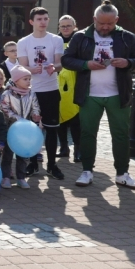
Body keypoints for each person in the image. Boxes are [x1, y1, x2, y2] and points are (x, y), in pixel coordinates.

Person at [61, 0, 135, 189]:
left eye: (110, 23)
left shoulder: (127, 37)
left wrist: (128, 63)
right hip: (89, 94)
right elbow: (66, 60)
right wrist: (85, 64)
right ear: (94, 19)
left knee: (121, 135)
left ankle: (122, 173)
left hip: (118, 94)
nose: (105, 27)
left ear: (116, 19)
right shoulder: (81, 36)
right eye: (101, 23)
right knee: (87, 133)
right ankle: (86, 171)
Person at [16, 7, 65, 180]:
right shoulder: (23, 42)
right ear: (31, 22)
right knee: (32, 129)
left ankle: (52, 165)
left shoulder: (56, 39)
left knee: (52, 130)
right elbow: (22, 67)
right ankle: (33, 164)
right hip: (31, 92)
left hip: (51, 90)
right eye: (39, 19)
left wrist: (54, 67)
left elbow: (60, 63)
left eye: (45, 19)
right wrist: (31, 70)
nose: (43, 22)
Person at [0, 64, 41, 189]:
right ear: (16, 81)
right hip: (11, 127)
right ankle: (5, 177)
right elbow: (5, 109)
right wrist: (18, 119)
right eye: (25, 79)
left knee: (23, 154)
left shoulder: (31, 94)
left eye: (29, 79)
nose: (28, 81)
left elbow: (35, 106)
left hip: (26, 129)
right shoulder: (7, 94)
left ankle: (21, 178)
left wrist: (35, 115)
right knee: (8, 153)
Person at [56, 16, 81, 162]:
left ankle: (78, 149)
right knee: (60, 118)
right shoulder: (55, 41)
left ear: (74, 26)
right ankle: (64, 148)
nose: (65, 28)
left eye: (68, 26)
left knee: (76, 119)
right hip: (57, 83)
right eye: (62, 26)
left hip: (76, 82)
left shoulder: (79, 39)